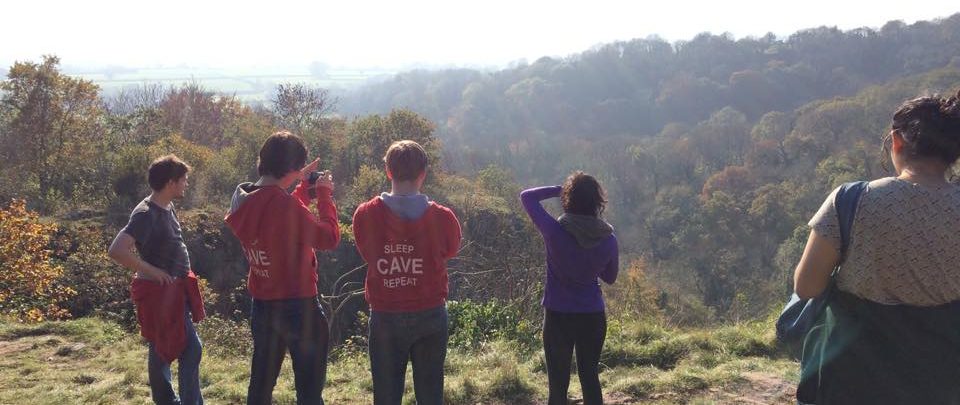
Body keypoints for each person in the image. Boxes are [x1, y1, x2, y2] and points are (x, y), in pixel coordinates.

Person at [793, 90, 960, 404]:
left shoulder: (851, 200)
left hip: (854, 377)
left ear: (897, 141)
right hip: (941, 379)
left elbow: (807, 287)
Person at [224, 131, 340, 405]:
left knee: (261, 386)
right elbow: (328, 237)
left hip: (263, 304)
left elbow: (281, 214)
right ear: (293, 168)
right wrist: (323, 196)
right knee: (309, 392)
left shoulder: (244, 199)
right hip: (299, 305)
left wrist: (299, 186)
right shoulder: (283, 206)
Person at [352, 140, 461, 405]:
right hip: (431, 313)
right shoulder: (444, 217)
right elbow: (450, 250)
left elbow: (368, 252)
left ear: (388, 171)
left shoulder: (365, 215)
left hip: (385, 315)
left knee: (386, 395)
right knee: (430, 393)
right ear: (423, 173)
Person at [108, 154, 205, 405]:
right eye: (184, 180)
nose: (186, 184)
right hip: (160, 292)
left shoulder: (167, 205)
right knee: (187, 348)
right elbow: (117, 250)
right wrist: (152, 271)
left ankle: (169, 401)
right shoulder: (145, 213)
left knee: (163, 347)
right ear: (171, 182)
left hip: (174, 290)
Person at [520, 172, 619, 405]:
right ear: (598, 203)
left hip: (558, 316)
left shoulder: (555, 232)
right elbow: (610, 277)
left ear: (568, 200)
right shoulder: (608, 239)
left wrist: (560, 189)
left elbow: (527, 197)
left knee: (558, 384)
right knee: (590, 377)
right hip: (593, 316)